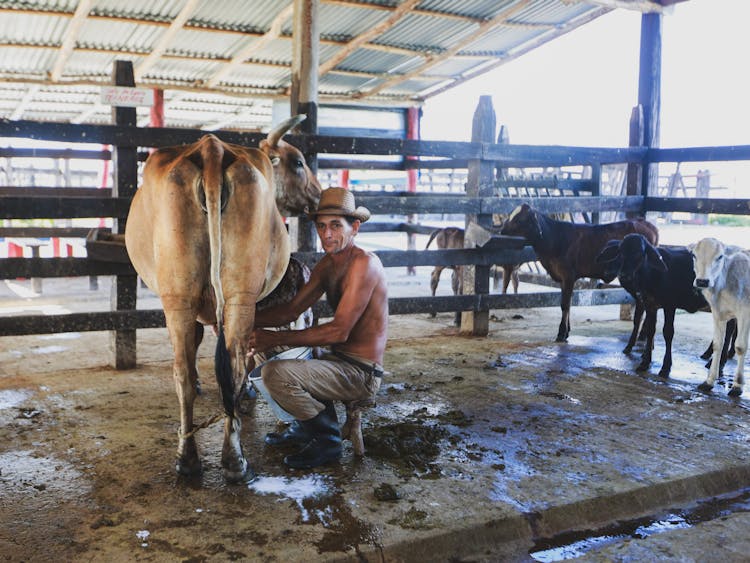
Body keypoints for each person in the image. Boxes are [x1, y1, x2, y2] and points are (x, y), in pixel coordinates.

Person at [247, 187, 388, 469]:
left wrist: (275, 336)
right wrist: (241, 321)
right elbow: (290, 310)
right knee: (265, 350)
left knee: (275, 372)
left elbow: (339, 332)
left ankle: (328, 441)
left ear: (355, 227)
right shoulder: (328, 265)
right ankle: (303, 426)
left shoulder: (365, 264)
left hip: (360, 372)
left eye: (336, 226)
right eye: (321, 226)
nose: (327, 234)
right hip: (335, 361)